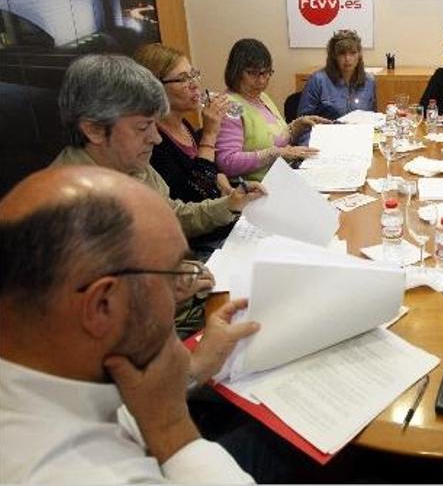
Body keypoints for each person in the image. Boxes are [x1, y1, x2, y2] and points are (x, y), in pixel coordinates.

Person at [0, 165, 261, 483]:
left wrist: (196, 368)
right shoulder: (71, 473)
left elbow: (132, 399)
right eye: (175, 274)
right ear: (103, 305)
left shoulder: (57, 361)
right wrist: (173, 429)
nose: (185, 286)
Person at [51, 54, 264, 243]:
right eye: (143, 127)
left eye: (155, 124)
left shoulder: (130, 162)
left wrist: (230, 203)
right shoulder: (67, 207)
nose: (157, 138)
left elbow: (171, 215)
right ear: (94, 130)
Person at [133, 43, 235, 204]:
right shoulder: (153, 141)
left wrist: (222, 182)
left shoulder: (184, 124)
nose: (195, 84)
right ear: (155, 87)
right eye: (183, 79)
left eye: (193, 75)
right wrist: (209, 135)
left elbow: (205, 169)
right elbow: (191, 198)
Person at [216, 38, 328, 180]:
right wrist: (276, 153)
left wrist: (298, 125)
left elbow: (275, 138)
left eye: (266, 73)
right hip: (255, 188)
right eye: (252, 73)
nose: (261, 80)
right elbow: (228, 162)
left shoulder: (261, 97)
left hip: (282, 177)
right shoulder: (231, 106)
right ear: (236, 72)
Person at [297, 30, 377, 122]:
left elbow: (373, 119)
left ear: (359, 55)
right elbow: (302, 124)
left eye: (353, 53)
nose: (347, 59)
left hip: (359, 133)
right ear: (334, 56)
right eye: (342, 54)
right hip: (327, 133)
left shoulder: (369, 81)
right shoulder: (317, 80)